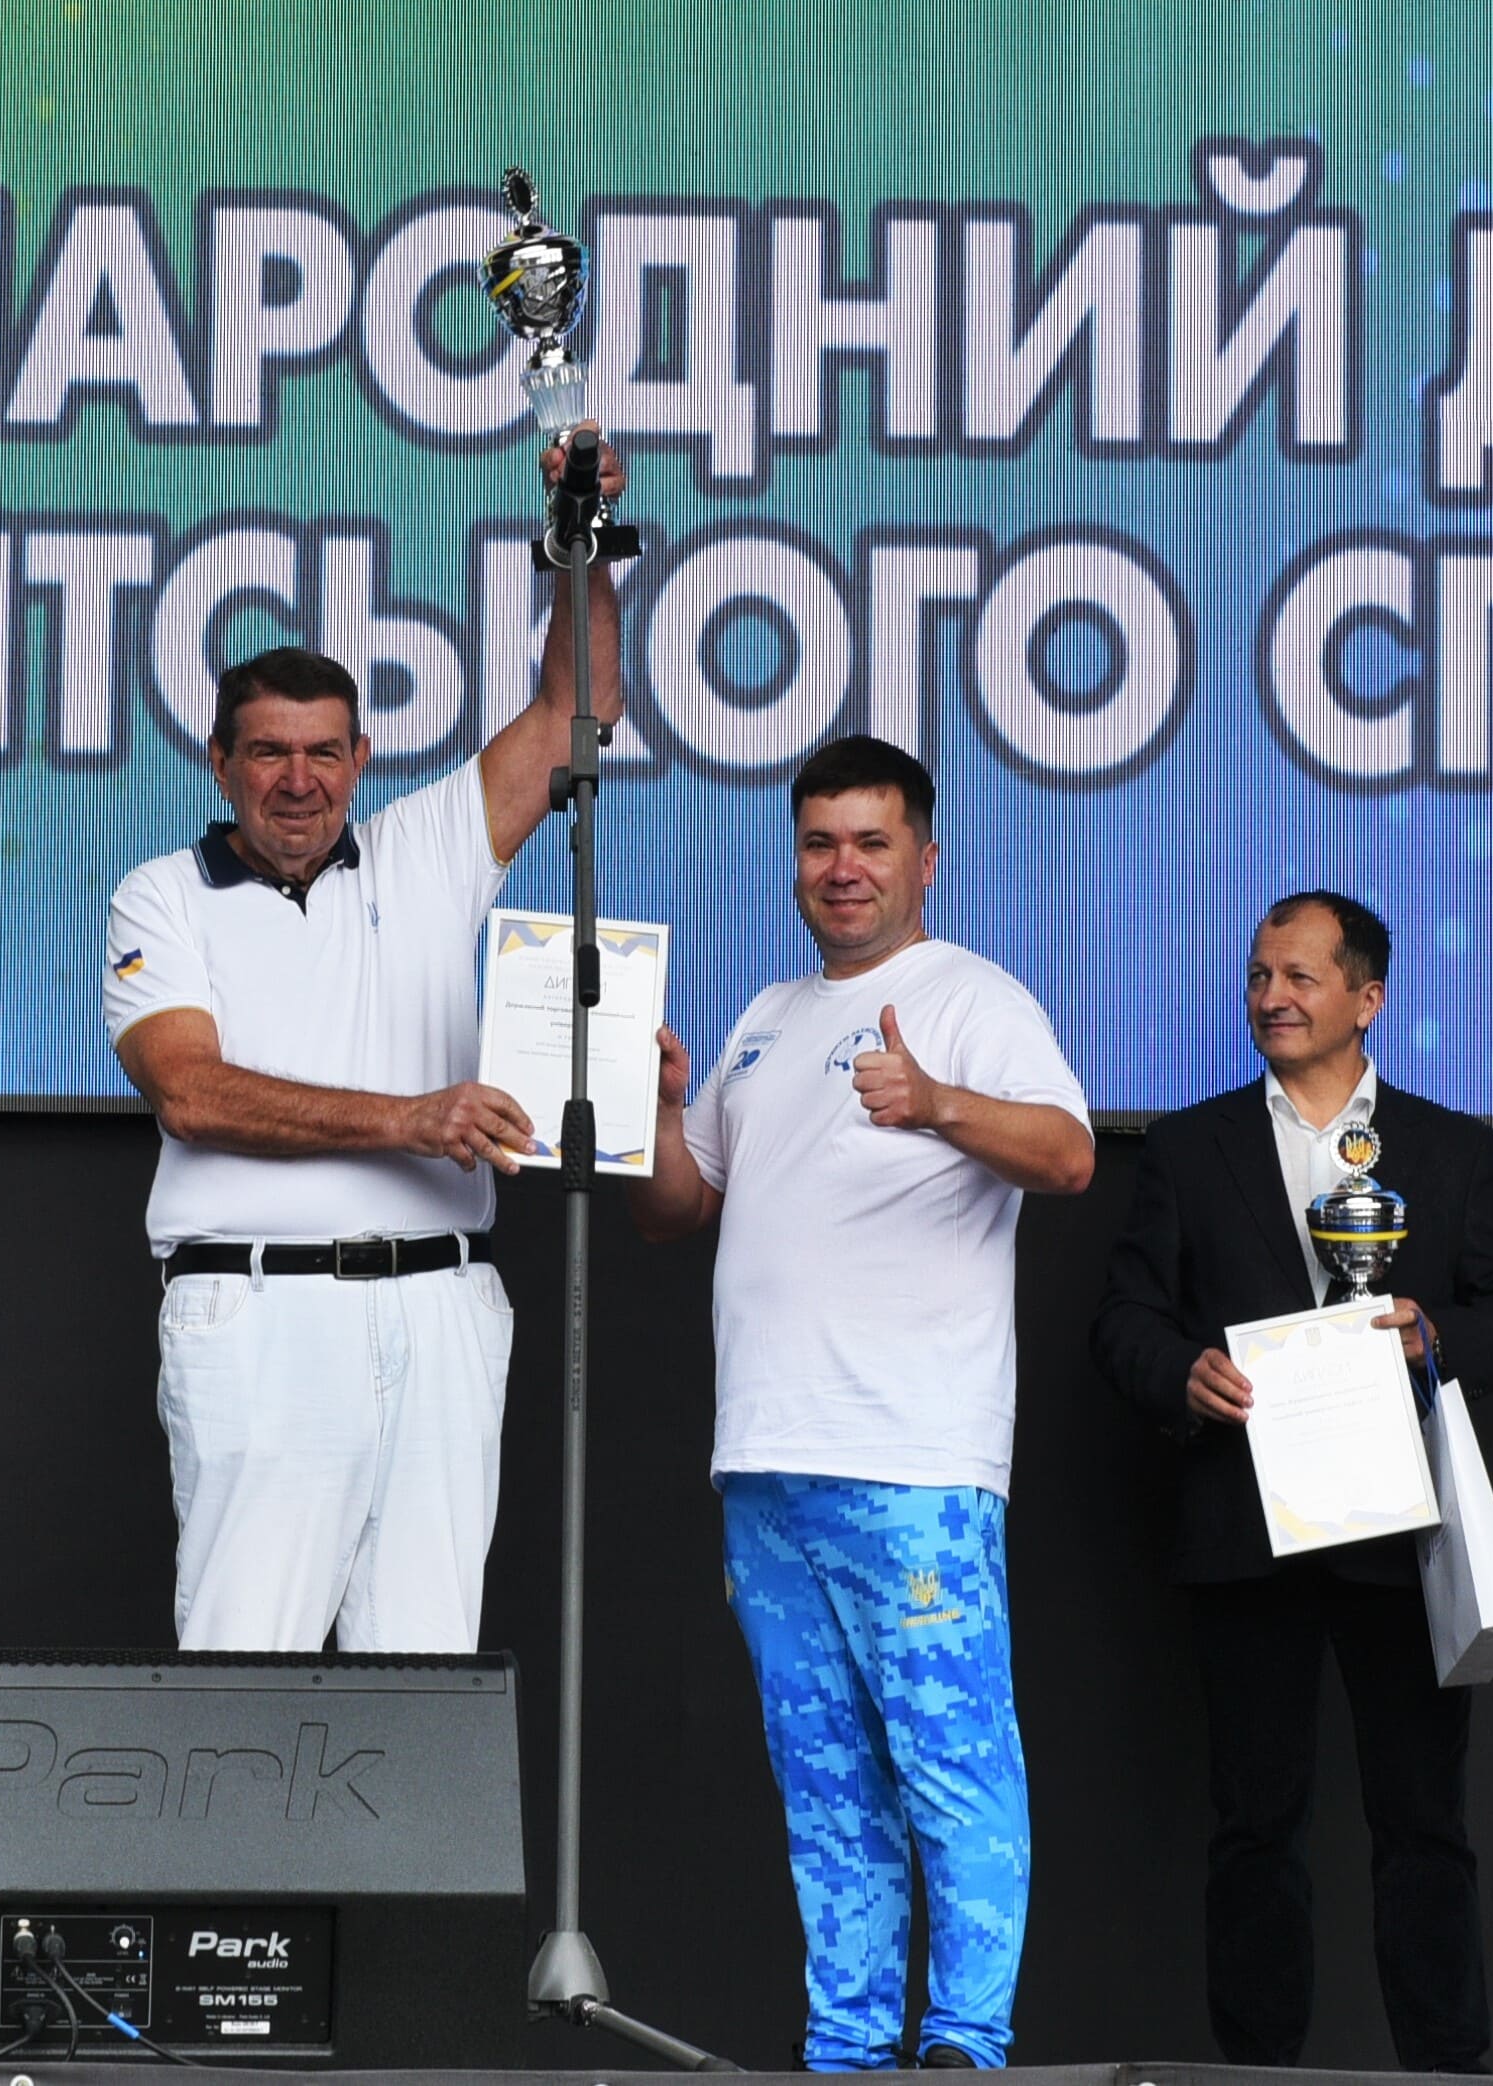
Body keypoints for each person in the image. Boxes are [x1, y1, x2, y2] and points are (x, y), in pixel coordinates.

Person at [100, 433, 630, 1653]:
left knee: (428, 1677)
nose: (298, 780)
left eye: (323, 751)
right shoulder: (160, 895)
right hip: (259, 1311)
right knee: (245, 1675)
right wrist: (409, 1118)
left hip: (440, 1305)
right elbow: (189, 1094)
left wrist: (584, 541)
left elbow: (576, 713)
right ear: (218, 761)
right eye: (268, 751)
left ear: (360, 761)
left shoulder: (420, 850)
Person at [631, 733, 1095, 2071]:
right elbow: (676, 1209)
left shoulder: (970, 998)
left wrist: (937, 1100)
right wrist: (661, 1112)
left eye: (871, 842)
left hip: (910, 1458)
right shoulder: (765, 1015)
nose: (843, 867)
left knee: (949, 1762)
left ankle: (962, 2043)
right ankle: (844, 2048)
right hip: (766, 1461)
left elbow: (1067, 1154)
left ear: (924, 859)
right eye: (820, 842)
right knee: (824, 1780)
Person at [1091, 889, 1493, 2070]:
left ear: (1367, 998)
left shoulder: (1447, 1148)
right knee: (1254, 1827)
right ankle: (1256, 2072)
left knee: (1423, 1824)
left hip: (1399, 1531)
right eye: (1258, 976)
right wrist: (1180, 1372)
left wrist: (1430, 1330)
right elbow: (1121, 1322)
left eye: (1298, 977)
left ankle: (1446, 2068)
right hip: (1241, 1523)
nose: (1271, 998)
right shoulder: (1187, 1147)